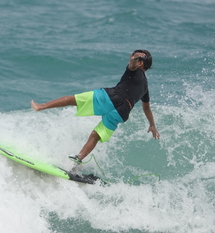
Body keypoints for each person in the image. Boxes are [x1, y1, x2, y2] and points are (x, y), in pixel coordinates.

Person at [31, 49, 160, 165]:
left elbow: (132, 65)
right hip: (122, 112)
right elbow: (147, 108)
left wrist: (134, 59)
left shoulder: (134, 70)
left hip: (111, 98)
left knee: (74, 99)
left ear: (140, 63)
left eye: (134, 56)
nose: (131, 57)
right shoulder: (145, 87)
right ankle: (77, 161)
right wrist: (152, 125)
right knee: (95, 135)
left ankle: (41, 107)